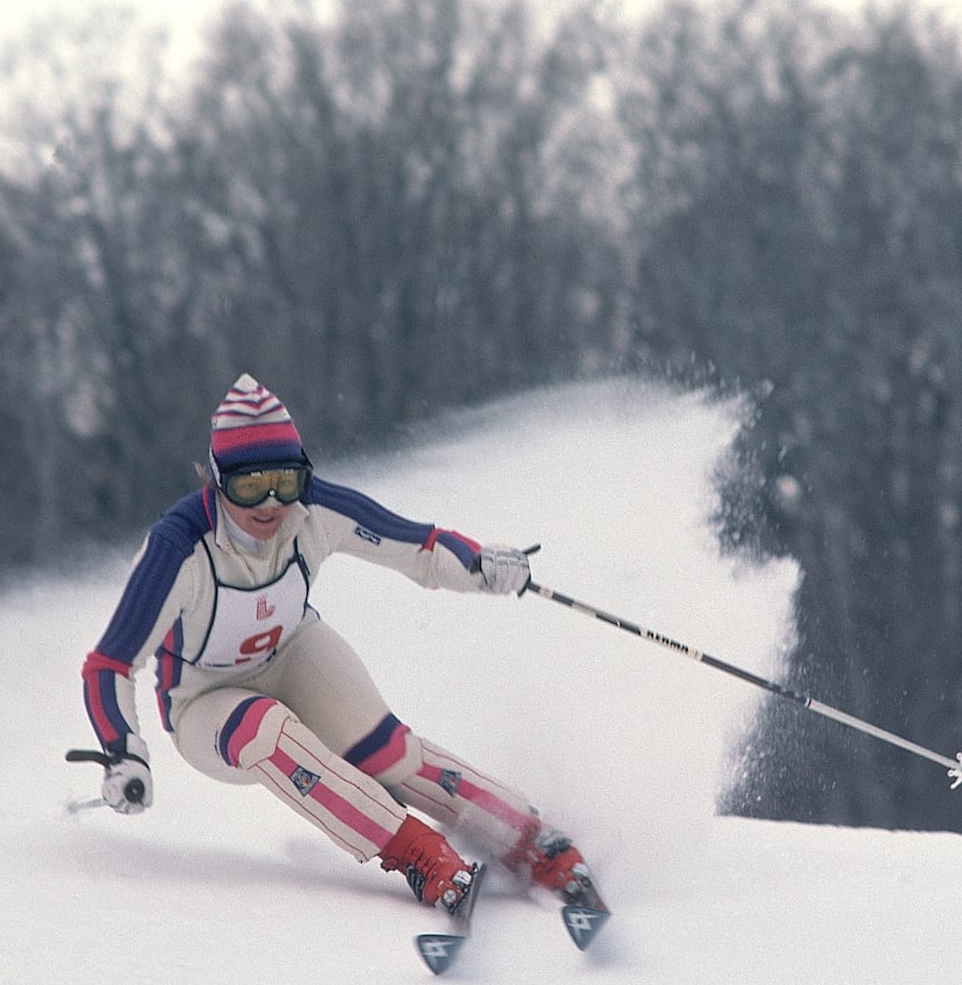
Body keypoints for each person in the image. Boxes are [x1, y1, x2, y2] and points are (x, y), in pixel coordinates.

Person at [79, 374, 591, 913]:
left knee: (386, 752)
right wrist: (124, 752)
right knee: (269, 732)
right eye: (250, 486)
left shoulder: (314, 510)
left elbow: (419, 545)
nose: (272, 503)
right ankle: (421, 856)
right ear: (216, 480)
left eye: (286, 479)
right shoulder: (178, 547)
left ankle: (531, 840)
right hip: (204, 701)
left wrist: (482, 565)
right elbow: (109, 664)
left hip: (293, 652)